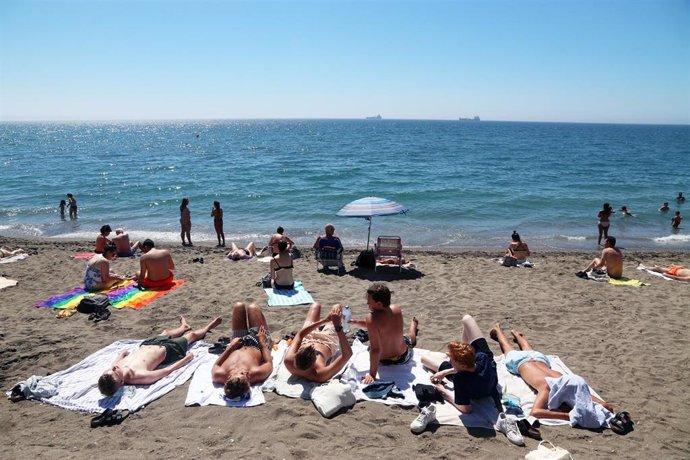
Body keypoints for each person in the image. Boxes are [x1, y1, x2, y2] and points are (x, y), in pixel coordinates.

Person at [489, 324, 622, 429]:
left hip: (536, 360)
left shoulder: (566, 385)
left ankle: (513, 334)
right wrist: (567, 416)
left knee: (524, 349)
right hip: (527, 361)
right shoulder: (546, 387)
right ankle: (501, 331)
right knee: (509, 348)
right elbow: (535, 412)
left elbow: (594, 400)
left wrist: (603, 404)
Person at [98, 316, 222, 396]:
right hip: (167, 350)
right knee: (192, 335)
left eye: (110, 370)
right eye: (114, 371)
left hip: (148, 344)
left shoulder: (109, 373)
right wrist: (186, 359)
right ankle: (208, 327)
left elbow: (114, 364)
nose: (113, 368)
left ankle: (183, 327)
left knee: (166, 332)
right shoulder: (139, 376)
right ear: (122, 382)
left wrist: (121, 354)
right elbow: (167, 370)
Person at [421, 315, 501, 414]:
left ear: (462, 365)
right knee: (467, 318)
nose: (449, 361)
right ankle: (461, 353)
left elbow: (466, 409)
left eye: (451, 360)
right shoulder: (482, 358)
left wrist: (444, 392)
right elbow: (470, 367)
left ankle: (459, 355)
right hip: (488, 385)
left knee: (424, 359)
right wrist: (445, 372)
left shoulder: (460, 380)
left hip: (477, 388)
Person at [350, 283, 418, 384]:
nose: (367, 303)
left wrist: (372, 374)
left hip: (383, 360)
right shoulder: (396, 309)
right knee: (409, 337)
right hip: (403, 356)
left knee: (372, 345)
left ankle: (413, 327)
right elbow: (379, 325)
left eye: (369, 302)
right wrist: (356, 322)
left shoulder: (371, 318)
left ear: (379, 304)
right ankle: (413, 326)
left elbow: (375, 349)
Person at [212, 302, 273, 400]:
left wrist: (231, 347)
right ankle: (270, 339)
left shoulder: (218, 375)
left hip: (237, 342)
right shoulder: (256, 373)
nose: (246, 373)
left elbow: (216, 365)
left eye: (242, 374)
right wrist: (262, 342)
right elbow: (268, 362)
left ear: (228, 378)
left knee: (238, 306)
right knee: (253, 307)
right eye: (247, 377)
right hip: (256, 344)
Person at [283, 303, 353, 383]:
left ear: (296, 355)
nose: (312, 344)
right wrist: (338, 326)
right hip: (328, 340)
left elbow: (300, 335)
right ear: (314, 361)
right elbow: (348, 354)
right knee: (336, 308)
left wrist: (324, 321)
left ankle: (325, 322)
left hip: (308, 336)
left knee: (316, 306)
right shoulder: (320, 374)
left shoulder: (289, 361)